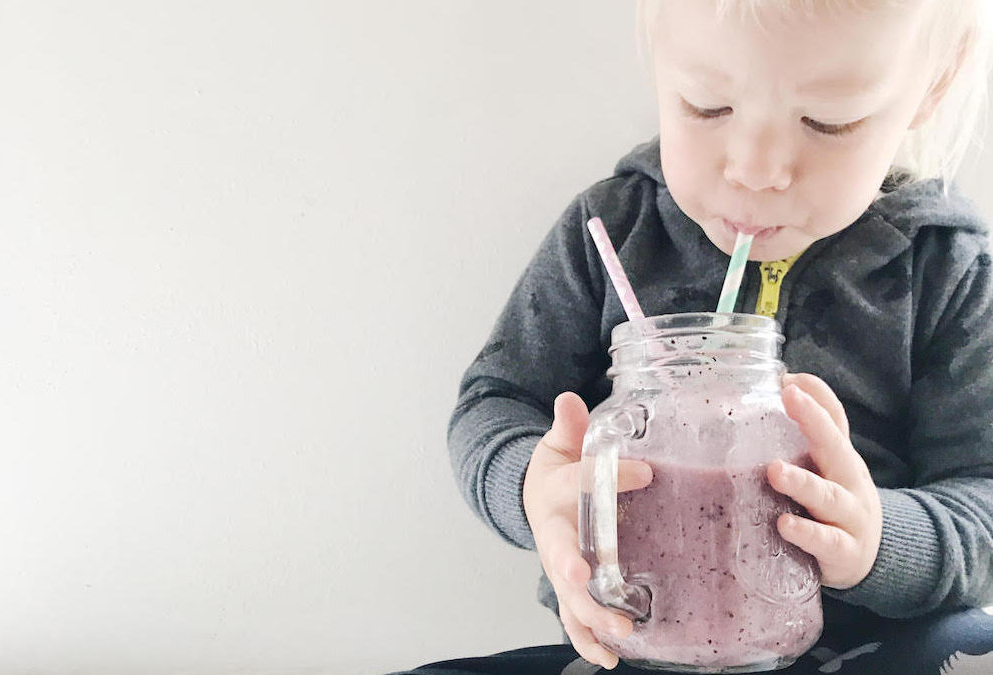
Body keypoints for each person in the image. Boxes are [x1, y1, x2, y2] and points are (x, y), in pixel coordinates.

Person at [392, 1, 993, 673]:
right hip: (636, 644)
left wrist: (881, 541)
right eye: (708, 106)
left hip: (872, 649)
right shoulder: (614, 231)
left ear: (933, 85)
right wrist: (535, 490)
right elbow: (494, 402)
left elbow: (983, 499)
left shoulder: (947, 270)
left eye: (829, 122)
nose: (757, 170)